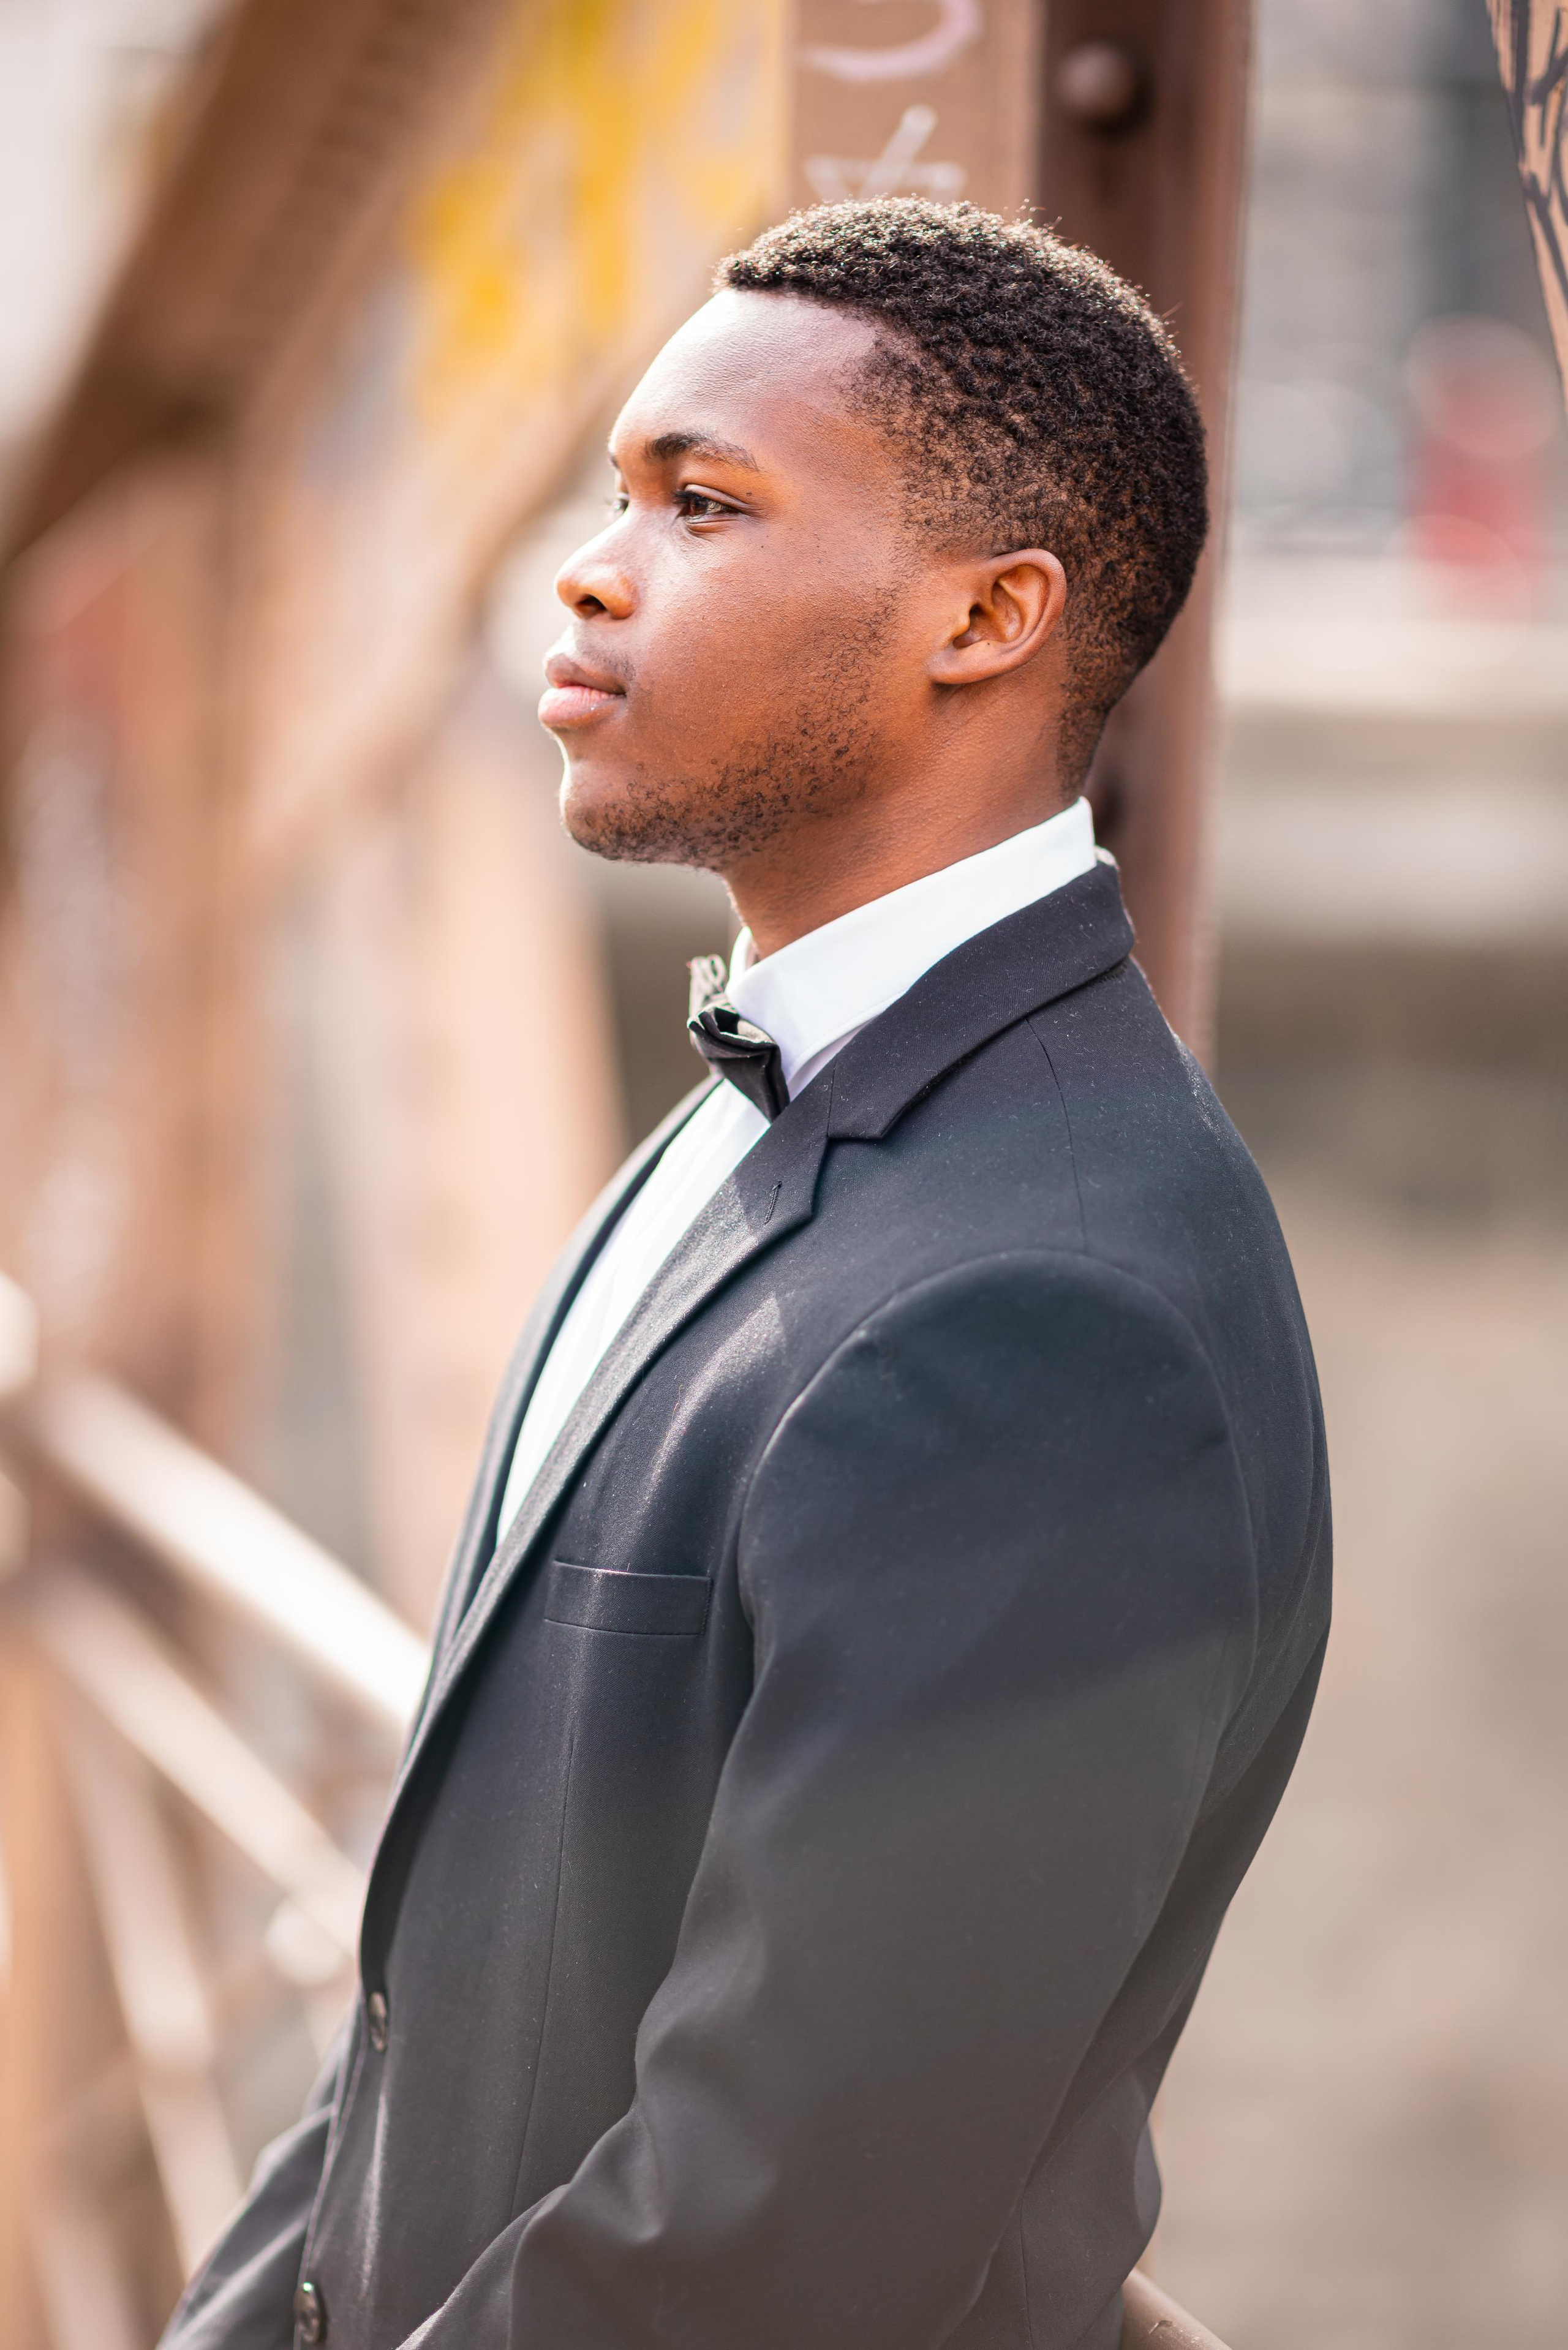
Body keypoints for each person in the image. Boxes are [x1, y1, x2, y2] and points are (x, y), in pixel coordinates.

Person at [165, 198, 1330, 2350]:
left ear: (986, 616)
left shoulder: (1053, 1316)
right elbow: (435, 2006)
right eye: (616, 493)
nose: (594, 570)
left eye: (704, 505)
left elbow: (784, 2233)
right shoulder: (748, 1112)